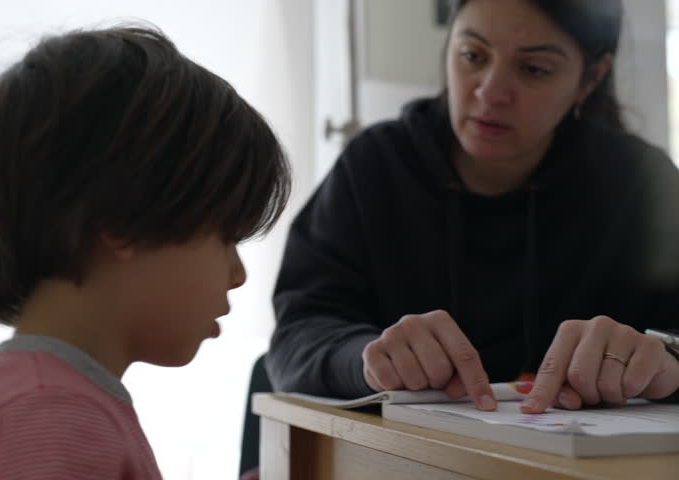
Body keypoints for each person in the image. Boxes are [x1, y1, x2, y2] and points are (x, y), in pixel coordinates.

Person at [267, 0, 679, 416]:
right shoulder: (375, 166)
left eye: (534, 69)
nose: (490, 91)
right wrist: (368, 358)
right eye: (472, 56)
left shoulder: (643, 184)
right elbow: (298, 334)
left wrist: (667, 360)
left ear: (590, 79)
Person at [0, 25, 290, 479]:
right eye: (227, 237)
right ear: (123, 223)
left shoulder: (44, 399)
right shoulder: (48, 419)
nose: (238, 275)